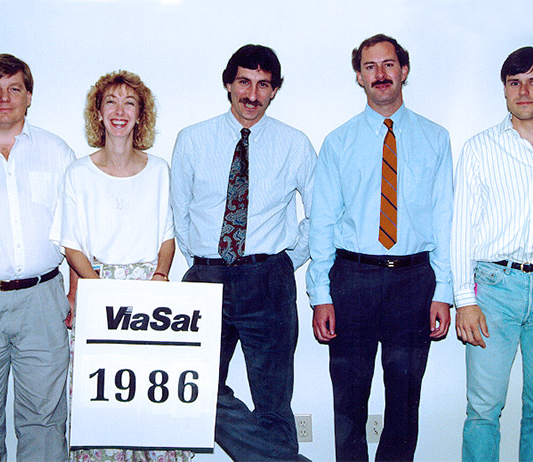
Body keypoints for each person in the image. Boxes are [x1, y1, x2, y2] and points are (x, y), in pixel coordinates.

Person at [307, 34, 453, 462]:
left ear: (404, 71)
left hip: (414, 280)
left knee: (405, 401)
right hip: (353, 279)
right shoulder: (338, 143)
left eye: (389, 65)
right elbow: (322, 224)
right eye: (370, 67)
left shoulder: (435, 138)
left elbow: (444, 220)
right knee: (348, 401)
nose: (381, 75)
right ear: (359, 76)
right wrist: (320, 295)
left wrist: (443, 289)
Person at [170, 44, 316, 461]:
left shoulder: (294, 144)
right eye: (244, 82)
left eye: (263, 85)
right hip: (205, 280)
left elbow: (322, 214)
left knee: (273, 401)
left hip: (268, 279)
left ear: (274, 91)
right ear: (229, 84)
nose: (252, 94)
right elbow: (180, 215)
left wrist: (288, 259)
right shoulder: (193, 139)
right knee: (196, 390)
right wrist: (205, 260)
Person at [50, 70, 190, 462]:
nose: (119, 110)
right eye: (110, 101)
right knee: (104, 403)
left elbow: (167, 235)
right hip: (98, 293)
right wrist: (100, 289)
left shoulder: (160, 169)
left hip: (150, 295)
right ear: (97, 113)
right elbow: (70, 243)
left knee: (149, 404)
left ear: (140, 115)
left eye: (129, 103)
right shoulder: (78, 173)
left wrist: (160, 275)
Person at [452, 46, 533, 462]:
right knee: (483, 410)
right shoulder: (480, 149)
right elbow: (461, 231)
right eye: (513, 82)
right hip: (494, 289)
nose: (522, 92)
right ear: (504, 90)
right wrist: (464, 300)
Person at [0, 54, 74, 461]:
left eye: (14, 89)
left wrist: (75, 294)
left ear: (29, 96)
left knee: (44, 420)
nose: (4, 98)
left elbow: (75, 232)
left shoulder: (57, 152)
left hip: (43, 300)